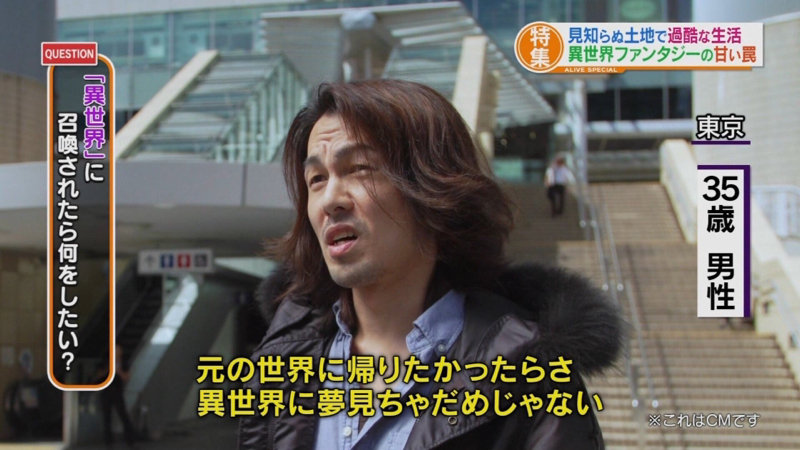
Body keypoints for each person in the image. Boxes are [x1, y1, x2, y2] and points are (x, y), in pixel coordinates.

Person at [239, 80, 622, 449]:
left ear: (433, 187)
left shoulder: (530, 377)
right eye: (317, 179)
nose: (329, 200)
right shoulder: (284, 361)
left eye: (358, 169)